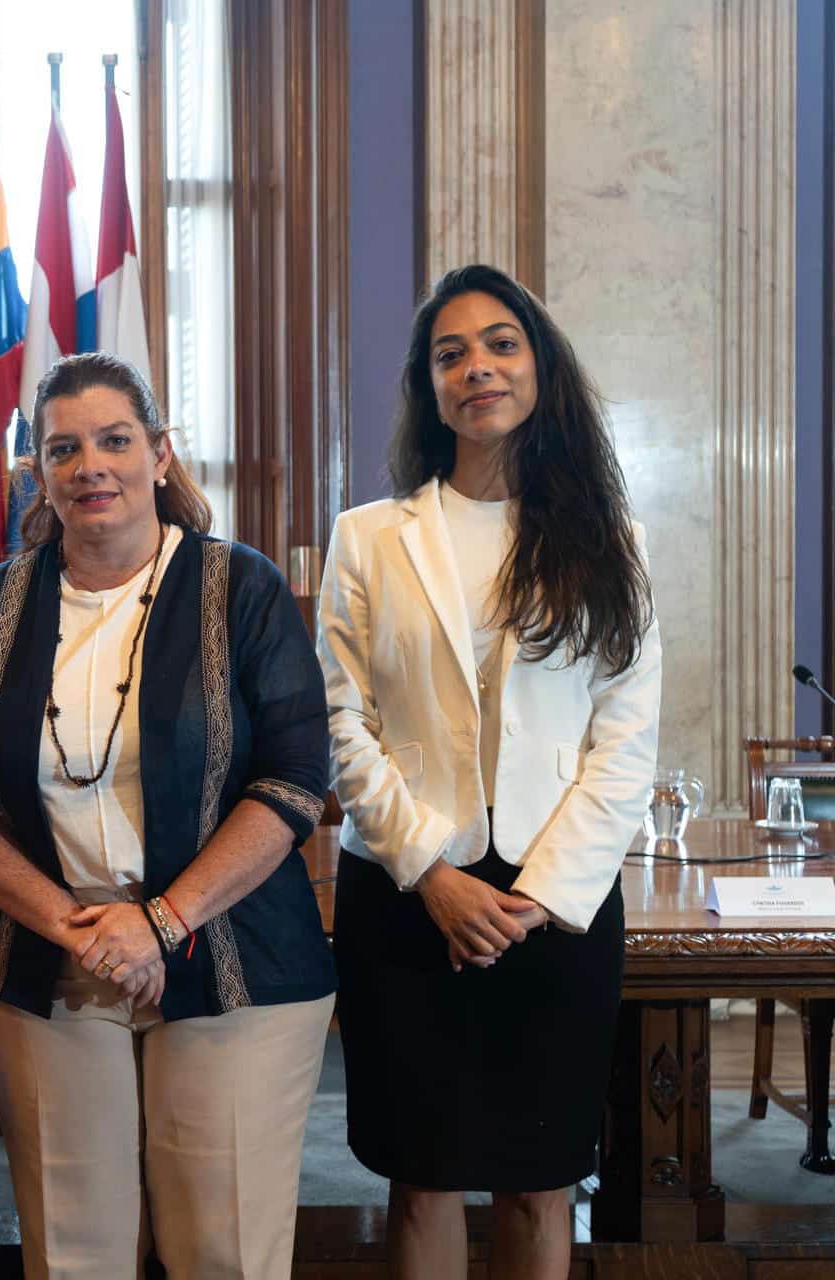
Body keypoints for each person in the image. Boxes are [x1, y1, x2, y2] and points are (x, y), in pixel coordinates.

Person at [0, 352, 337, 1279]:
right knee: (76, 1255)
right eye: (63, 449)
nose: (90, 466)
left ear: (159, 454)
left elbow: (297, 780)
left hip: (235, 961)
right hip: (48, 957)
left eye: (114, 441)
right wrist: (75, 925)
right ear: (40, 472)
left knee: (223, 1252)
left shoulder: (244, 589)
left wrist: (161, 920)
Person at [317, 264, 661, 1275]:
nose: (479, 367)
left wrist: (536, 897)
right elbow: (345, 723)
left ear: (539, 368)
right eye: (451, 352)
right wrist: (432, 872)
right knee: (419, 1173)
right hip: (407, 892)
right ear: (430, 387)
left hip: (554, 902)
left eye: (501, 343)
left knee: (542, 1173)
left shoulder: (611, 544)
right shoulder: (370, 538)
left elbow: (625, 741)